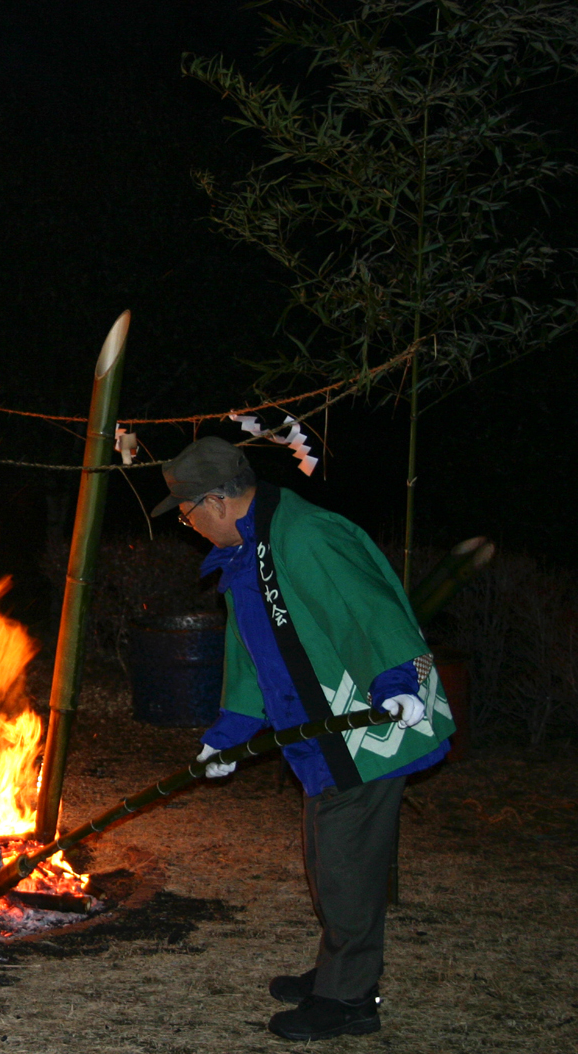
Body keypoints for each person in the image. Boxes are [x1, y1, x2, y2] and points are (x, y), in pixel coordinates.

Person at [153, 437, 454, 1042]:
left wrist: (395, 681)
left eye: (187, 516)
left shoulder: (306, 536)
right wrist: (229, 736)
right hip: (318, 738)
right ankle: (337, 970)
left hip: (370, 728)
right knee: (327, 857)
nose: (189, 528)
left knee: (347, 865)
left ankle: (349, 1000)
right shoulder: (250, 552)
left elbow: (372, 612)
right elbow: (253, 656)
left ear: (215, 502)